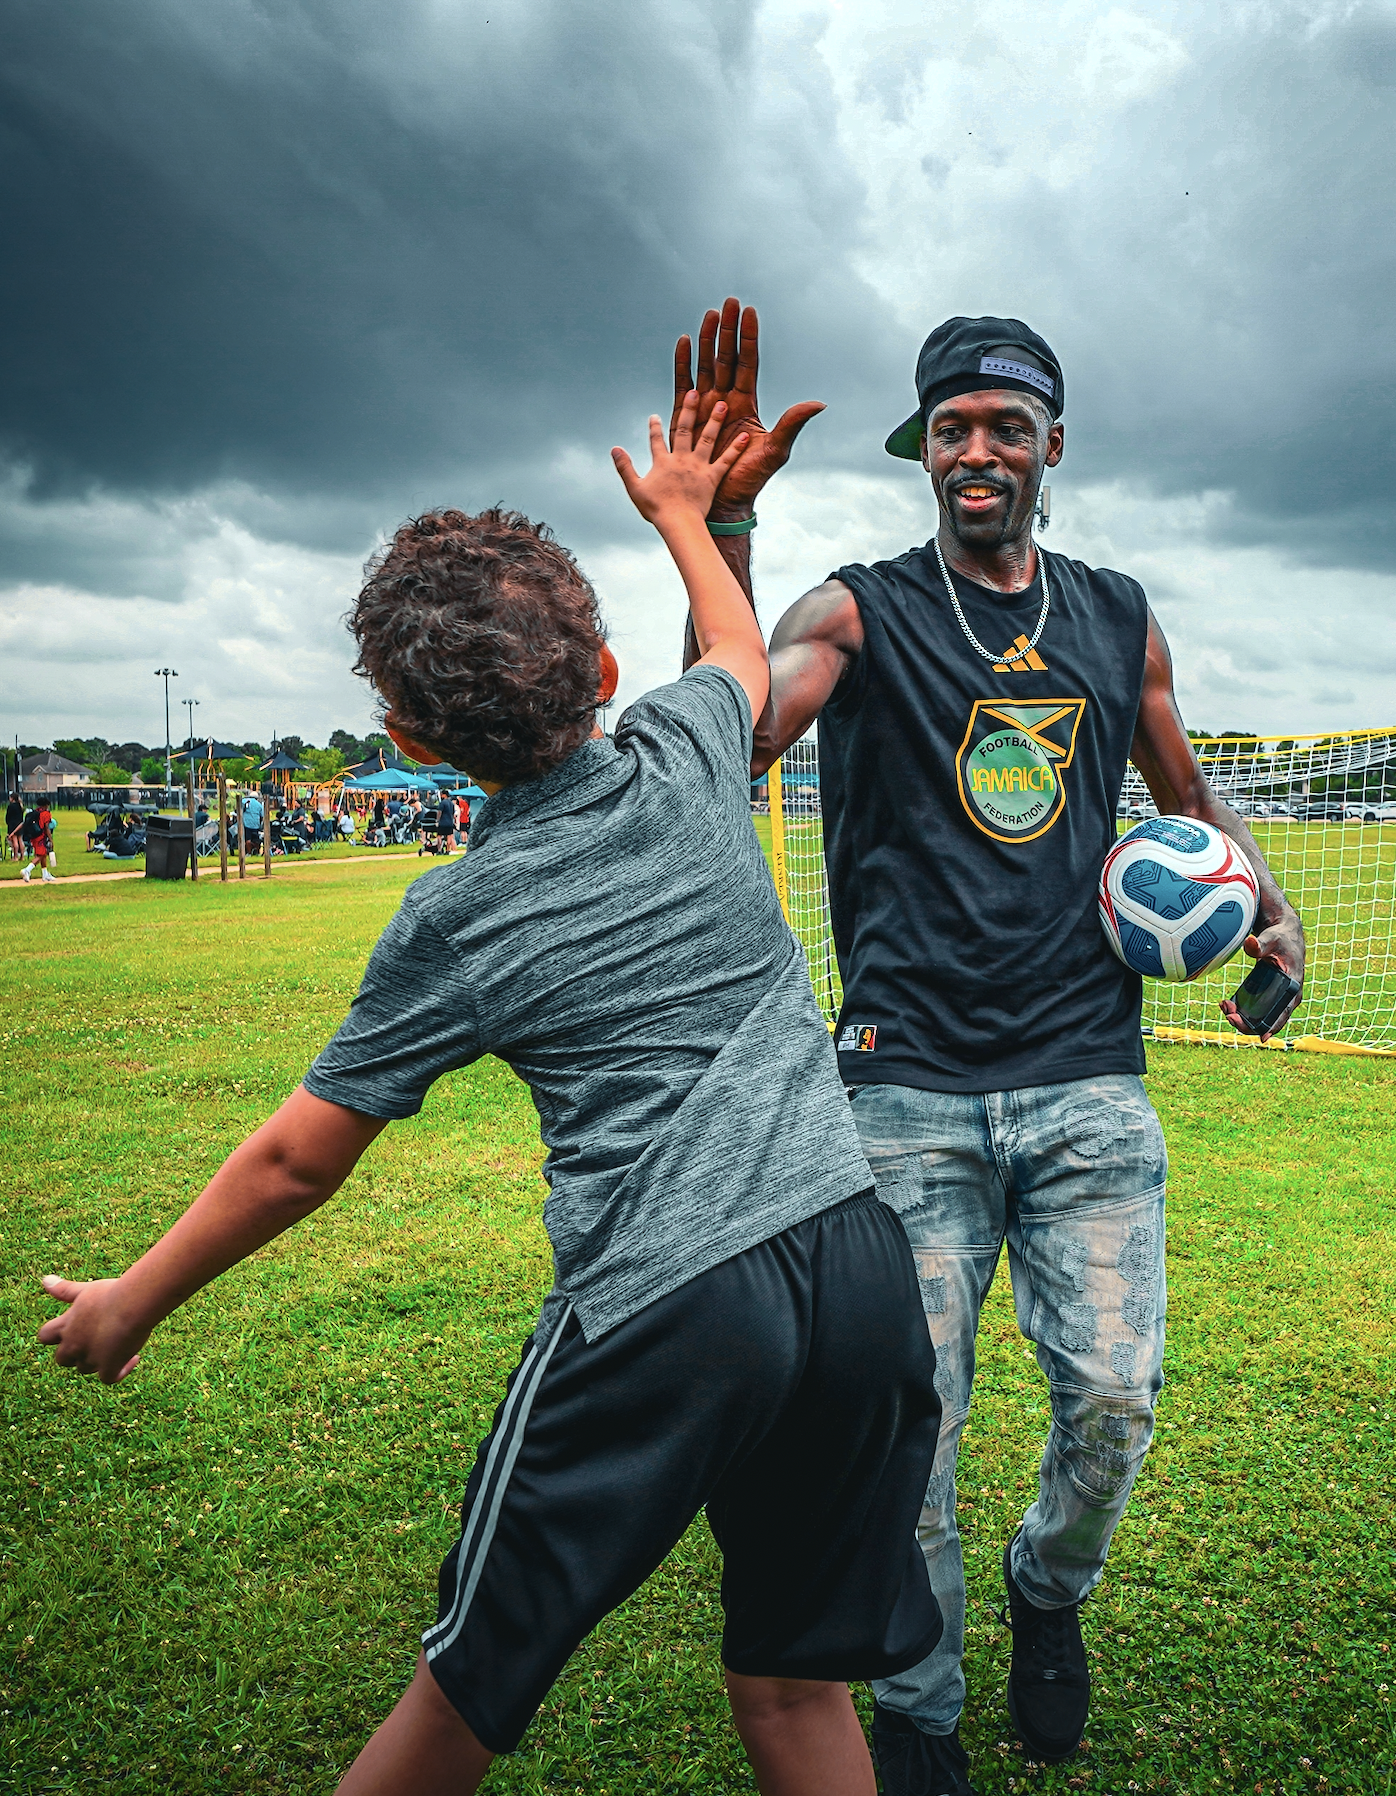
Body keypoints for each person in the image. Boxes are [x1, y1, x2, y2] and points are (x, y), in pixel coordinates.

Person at [37, 398, 944, 1796]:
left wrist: (128, 1299)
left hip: (666, 1310)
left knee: (462, 1695)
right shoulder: (692, 753)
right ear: (604, 665)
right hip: (858, 1275)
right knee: (793, 1683)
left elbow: (295, 1160)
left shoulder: (457, 915)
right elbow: (737, 646)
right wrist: (688, 515)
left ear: (405, 726)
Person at [670, 301, 1307, 1791]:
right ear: (922, 449)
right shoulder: (861, 609)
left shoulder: (1116, 614)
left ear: (1050, 448)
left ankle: (1048, 1593)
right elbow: (728, 722)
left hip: (1090, 1079)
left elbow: (1190, 795)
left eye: (1003, 427)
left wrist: (1267, 909)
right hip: (903, 1091)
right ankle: (920, 1703)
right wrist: (733, 535)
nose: (975, 450)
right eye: (950, 427)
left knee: (1113, 1408)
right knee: (911, 1436)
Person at [22, 802, 56, 883]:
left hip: (33, 836)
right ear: (46, 805)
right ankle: (27, 870)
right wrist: (51, 839)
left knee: (42, 854)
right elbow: (46, 827)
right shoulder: (45, 814)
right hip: (41, 836)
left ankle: (45, 874)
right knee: (41, 855)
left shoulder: (35, 812)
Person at [7, 793, 25, 861]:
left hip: (12, 824)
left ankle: (15, 857)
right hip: (20, 824)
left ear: (12, 798)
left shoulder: (11, 806)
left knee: (14, 840)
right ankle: (22, 856)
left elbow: (8, 816)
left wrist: (8, 822)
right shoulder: (20, 806)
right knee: (20, 840)